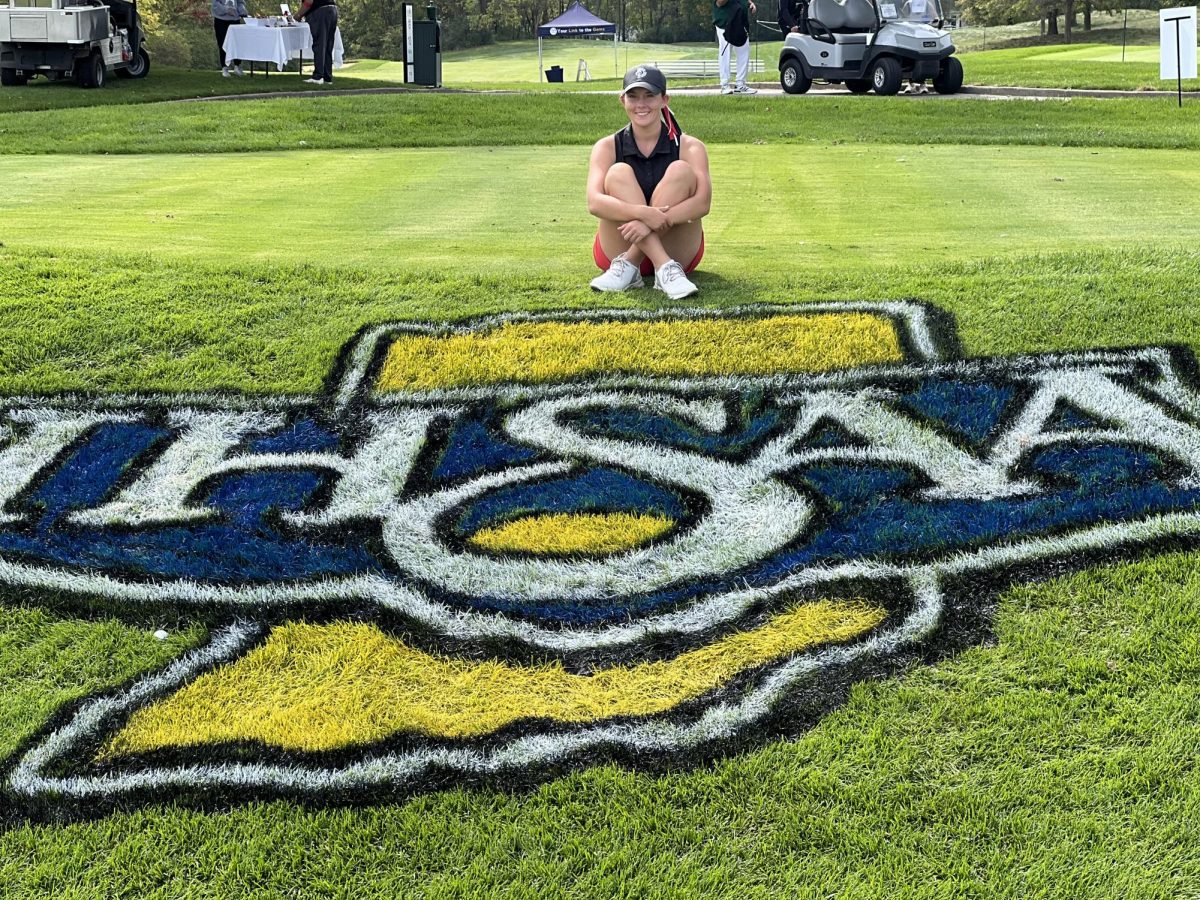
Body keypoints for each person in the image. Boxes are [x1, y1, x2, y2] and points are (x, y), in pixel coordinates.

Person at [587, 65, 711, 301]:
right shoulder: (606, 146)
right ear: (622, 100)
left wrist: (651, 223)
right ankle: (660, 266)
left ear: (664, 99)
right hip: (615, 254)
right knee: (618, 173)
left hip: (679, 254)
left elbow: (702, 203)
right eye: (633, 96)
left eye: (649, 96)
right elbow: (594, 202)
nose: (640, 104)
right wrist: (643, 214)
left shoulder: (691, 146)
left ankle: (647, 265)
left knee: (680, 170)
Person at [713, 0, 757, 94]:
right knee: (725, 53)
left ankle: (740, 84)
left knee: (744, 51)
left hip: (740, 22)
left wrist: (750, 3)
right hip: (725, 23)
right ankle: (725, 85)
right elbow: (719, 3)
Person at [295, 0, 338, 85]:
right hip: (332, 10)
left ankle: (318, 76)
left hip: (320, 12)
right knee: (327, 45)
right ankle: (327, 77)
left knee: (320, 45)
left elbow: (309, 2)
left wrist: (298, 15)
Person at [212, 0, 247, 77]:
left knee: (237, 44)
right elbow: (215, 4)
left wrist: (242, 10)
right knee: (222, 43)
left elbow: (240, 2)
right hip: (220, 20)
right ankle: (224, 68)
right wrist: (226, 10)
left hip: (235, 20)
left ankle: (237, 66)